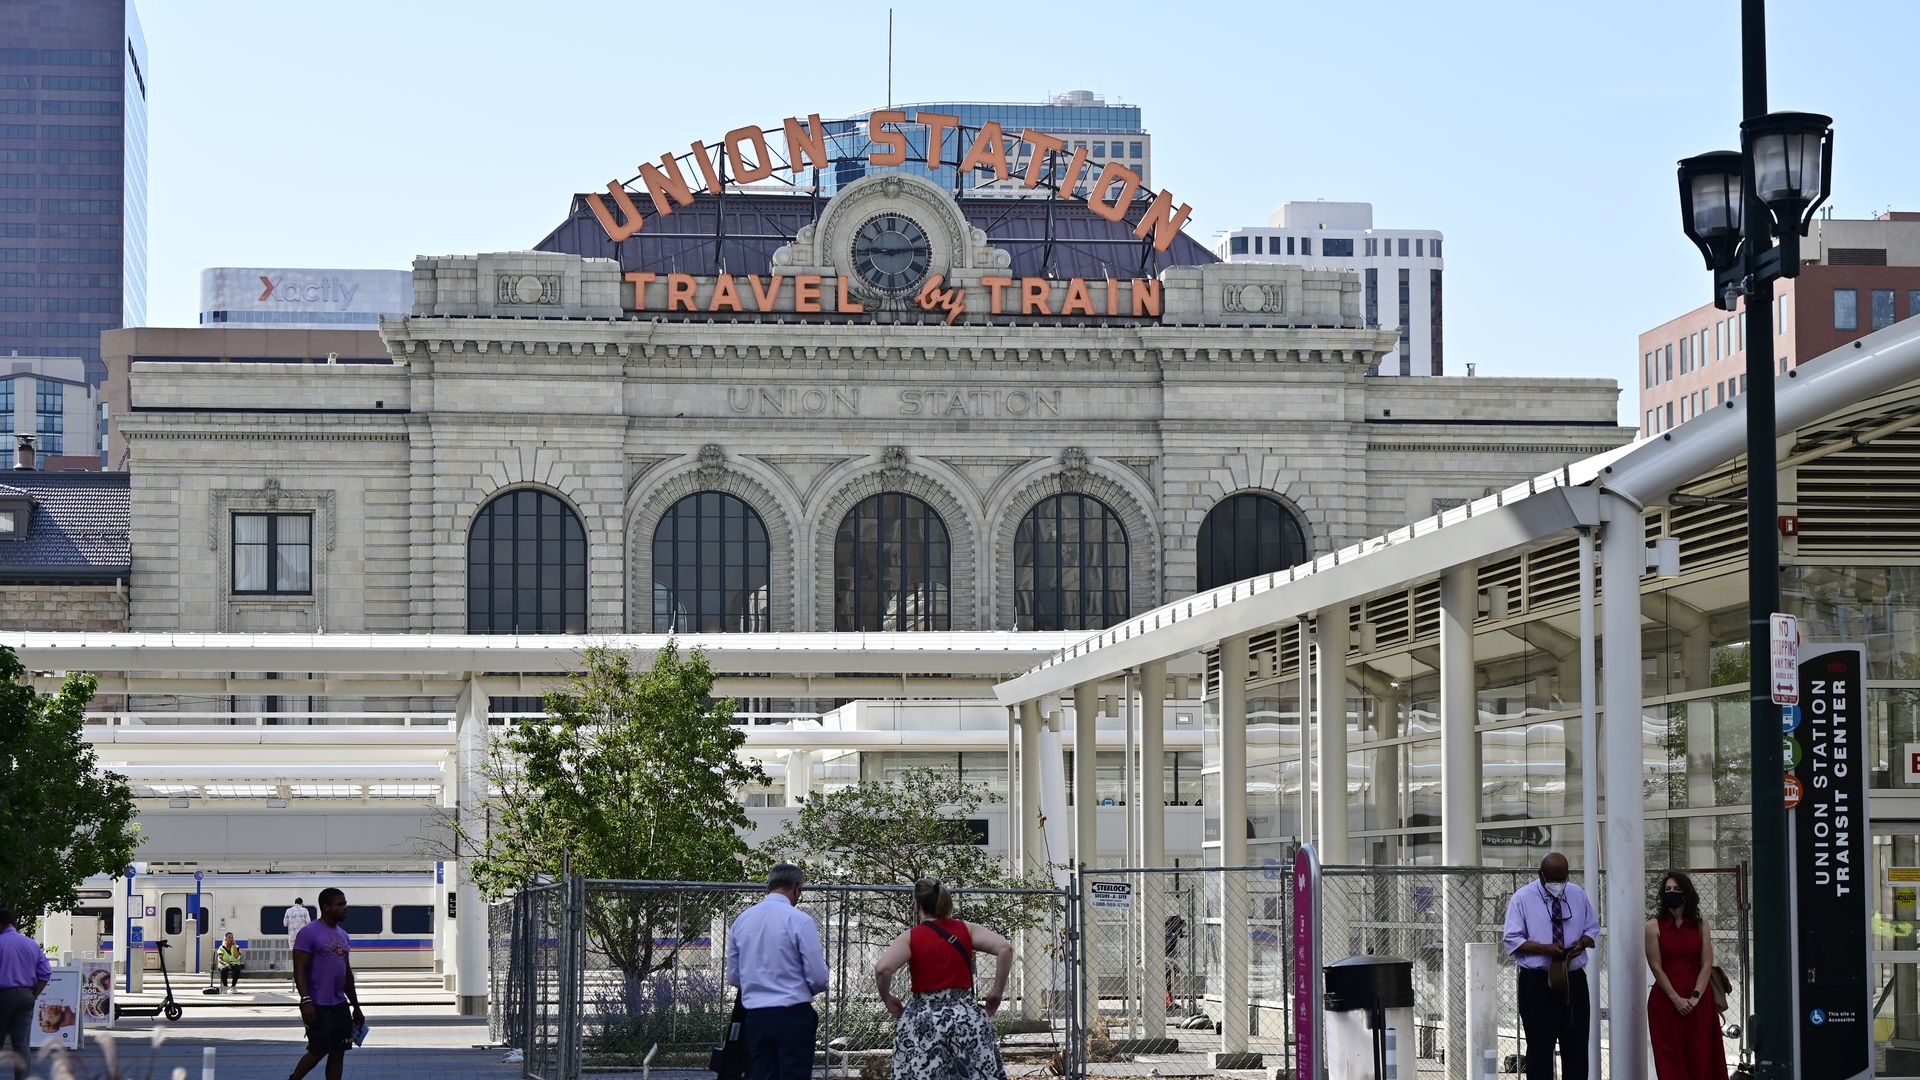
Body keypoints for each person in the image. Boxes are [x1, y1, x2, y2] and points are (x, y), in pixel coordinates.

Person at [873, 879, 1014, 1080]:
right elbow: (1005, 948)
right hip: (966, 1019)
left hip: (924, 1021)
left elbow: (882, 969)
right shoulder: (967, 929)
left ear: (917, 904)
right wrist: (996, 992)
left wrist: (887, 997)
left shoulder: (910, 937)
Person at [1501, 852, 1600, 1080]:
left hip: (1572, 979)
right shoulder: (1522, 898)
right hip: (1537, 981)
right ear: (1541, 875)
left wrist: (1581, 943)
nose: (1558, 885)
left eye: (1562, 879)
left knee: (1576, 1048)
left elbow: (1592, 929)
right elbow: (1512, 940)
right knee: (1539, 1049)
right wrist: (1546, 949)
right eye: (1553, 880)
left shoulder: (1577, 895)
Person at [726, 864, 828, 1080]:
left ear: (767, 888)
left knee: (760, 1074)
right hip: (793, 1013)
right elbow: (818, 976)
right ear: (797, 889)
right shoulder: (800, 920)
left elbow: (734, 976)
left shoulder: (742, 921)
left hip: (755, 1015)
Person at [1646, 871, 1726, 1080]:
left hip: (1698, 1001)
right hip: (1666, 1001)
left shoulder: (1701, 925)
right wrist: (1676, 999)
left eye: (1676, 890)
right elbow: (1656, 967)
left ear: (1686, 894)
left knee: (1701, 1058)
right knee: (1670, 1060)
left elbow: (1706, 963)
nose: (1671, 893)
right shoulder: (1653, 926)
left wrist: (1695, 998)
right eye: (1667, 890)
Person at [289, 889, 363, 1080]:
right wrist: (305, 1000)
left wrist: (355, 1006)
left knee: (339, 1052)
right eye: (340, 904)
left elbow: (347, 974)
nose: (345, 908)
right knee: (317, 1050)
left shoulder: (344, 935)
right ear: (326, 907)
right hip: (317, 1005)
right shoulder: (308, 933)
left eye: (345, 903)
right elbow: (299, 970)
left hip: (339, 1005)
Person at [0, 908, 52, 1080]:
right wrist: (33, 995)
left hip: (2, 996)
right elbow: (45, 974)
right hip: (26, 996)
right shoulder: (31, 944)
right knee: (21, 1043)